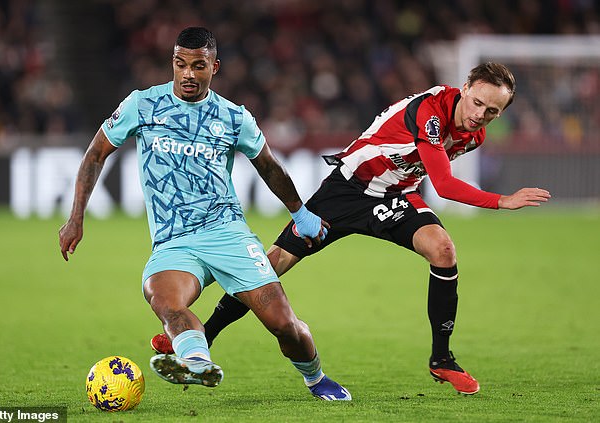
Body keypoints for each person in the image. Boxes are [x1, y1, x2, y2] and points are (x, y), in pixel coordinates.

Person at [151, 62, 551, 395]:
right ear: (464, 88)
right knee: (270, 267)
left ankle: (442, 359)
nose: (480, 115)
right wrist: (502, 200)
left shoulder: (473, 134)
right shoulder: (431, 112)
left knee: (443, 250)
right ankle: (204, 335)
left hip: (395, 195)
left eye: (492, 112)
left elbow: (422, 174)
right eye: (478, 102)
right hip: (348, 190)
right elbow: (444, 185)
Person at [59, 27, 351, 401]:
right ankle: (196, 362)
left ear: (215, 66)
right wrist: (76, 217)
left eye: (199, 66)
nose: (188, 75)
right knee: (164, 299)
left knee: (283, 325)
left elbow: (269, 167)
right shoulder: (142, 105)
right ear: (173, 63)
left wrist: (301, 213)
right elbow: (96, 153)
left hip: (228, 234)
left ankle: (316, 378)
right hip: (175, 242)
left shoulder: (233, 117)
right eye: (181, 64)